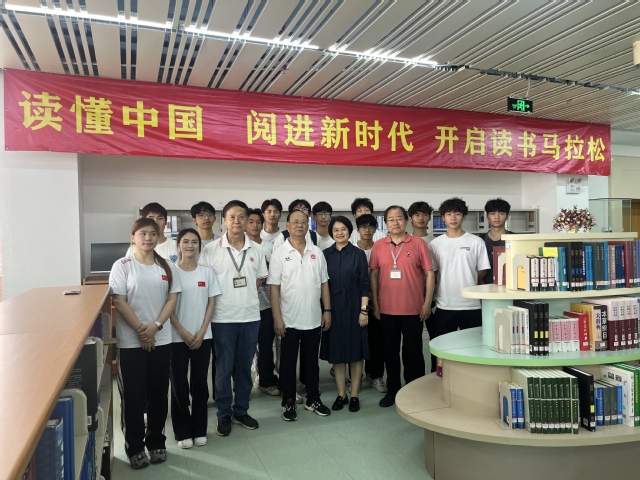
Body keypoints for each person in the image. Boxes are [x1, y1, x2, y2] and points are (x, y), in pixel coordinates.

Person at [110, 218, 181, 469]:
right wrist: (142, 331)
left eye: (153, 233)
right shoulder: (122, 265)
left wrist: (156, 326)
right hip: (131, 342)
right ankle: (135, 448)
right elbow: (119, 301)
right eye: (142, 233)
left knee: (158, 394)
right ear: (133, 237)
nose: (148, 238)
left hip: (161, 338)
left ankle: (156, 442)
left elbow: (172, 299)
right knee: (133, 396)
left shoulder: (166, 266)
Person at [199, 200, 267, 436]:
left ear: (247, 220)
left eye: (241, 217)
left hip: (250, 317)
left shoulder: (257, 249)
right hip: (222, 318)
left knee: (245, 368)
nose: (237, 221)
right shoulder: (210, 250)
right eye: (232, 217)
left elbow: (258, 281)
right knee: (223, 368)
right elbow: (204, 284)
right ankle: (224, 413)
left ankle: (241, 410)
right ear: (224, 220)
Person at [269, 209, 332, 421]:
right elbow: (274, 288)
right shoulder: (279, 254)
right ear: (287, 226)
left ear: (308, 226)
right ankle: (288, 401)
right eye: (295, 222)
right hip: (288, 320)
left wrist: (327, 310)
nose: (299, 225)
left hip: (313, 318)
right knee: (287, 364)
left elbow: (324, 284)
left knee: (312, 363)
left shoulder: (317, 253)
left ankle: (313, 399)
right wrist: (277, 318)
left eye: (303, 222)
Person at [370, 205, 434, 408]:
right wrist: (376, 303)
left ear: (406, 220)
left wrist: (427, 303)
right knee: (390, 352)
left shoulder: (418, 243)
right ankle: (393, 390)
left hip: (413, 309)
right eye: (390, 219)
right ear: (385, 223)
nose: (395, 222)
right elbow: (373, 274)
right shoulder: (379, 245)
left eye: (399, 218)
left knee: (413, 352)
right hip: (387, 309)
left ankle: (415, 391)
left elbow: (429, 274)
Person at [169, 228, 222, 449]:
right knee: (179, 386)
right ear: (178, 245)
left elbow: (212, 303)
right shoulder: (170, 272)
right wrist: (182, 331)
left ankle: (199, 429)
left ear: (200, 246)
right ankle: (182, 432)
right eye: (185, 241)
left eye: (194, 242)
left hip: (203, 337)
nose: (190, 245)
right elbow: (167, 306)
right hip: (176, 337)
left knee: (200, 384)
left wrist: (202, 331)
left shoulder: (207, 273)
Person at [428, 198, 490, 372]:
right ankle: (439, 378)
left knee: (473, 348)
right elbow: (433, 273)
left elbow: (482, 270)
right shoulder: (435, 244)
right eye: (448, 214)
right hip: (444, 305)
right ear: (443, 217)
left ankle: (470, 379)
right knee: (441, 348)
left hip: (471, 306)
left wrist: (467, 278)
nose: (453, 218)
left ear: (464, 216)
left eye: (457, 214)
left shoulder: (476, 241)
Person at [320, 216, 370, 412]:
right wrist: (326, 310)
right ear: (331, 233)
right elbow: (322, 283)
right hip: (332, 306)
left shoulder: (358, 254)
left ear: (350, 231)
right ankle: (341, 394)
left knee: (356, 353)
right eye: (336, 230)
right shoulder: (325, 254)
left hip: (354, 305)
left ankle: (355, 394)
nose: (339, 232)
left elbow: (365, 284)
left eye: (343, 229)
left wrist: (363, 311)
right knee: (337, 353)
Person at [246, 208, 279, 396]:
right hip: (245, 306)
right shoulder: (241, 246)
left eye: (258, 222)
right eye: (251, 221)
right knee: (245, 349)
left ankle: (266, 380)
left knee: (266, 346)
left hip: (266, 304)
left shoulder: (270, 246)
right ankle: (242, 385)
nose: (255, 225)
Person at [190, 201, 219, 405]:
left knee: (219, 354)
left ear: (215, 218)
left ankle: (219, 394)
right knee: (196, 355)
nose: (206, 218)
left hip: (218, 303)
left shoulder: (221, 242)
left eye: (209, 214)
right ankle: (197, 397)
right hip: (194, 305)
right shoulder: (189, 242)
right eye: (201, 215)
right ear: (194, 220)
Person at [355, 214, 387, 394]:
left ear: (376, 229)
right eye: (363, 227)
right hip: (357, 303)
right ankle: (355, 376)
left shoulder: (382, 248)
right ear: (357, 230)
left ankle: (376, 375)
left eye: (370, 227)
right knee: (357, 340)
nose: (367, 230)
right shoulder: (352, 249)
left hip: (378, 301)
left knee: (377, 340)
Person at [479, 198, 513, 284]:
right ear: (487, 216)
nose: (497, 217)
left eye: (501, 213)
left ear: (507, 216)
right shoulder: (479, 240)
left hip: (509, 286)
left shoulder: (515, 239)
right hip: (484, 287)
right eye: (492, 213)